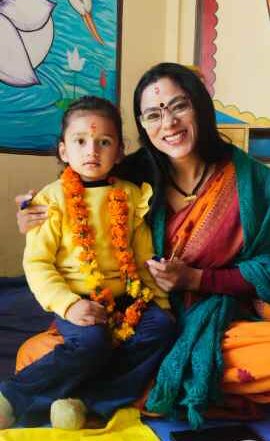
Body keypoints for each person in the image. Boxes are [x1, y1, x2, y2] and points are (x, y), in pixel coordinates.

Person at [16, 63, 270, 429]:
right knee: (34, 353)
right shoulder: (129, 177)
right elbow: (73, 201)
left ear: (199, 105)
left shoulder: (252, 182)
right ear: (142, 126)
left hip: (212, 317)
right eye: (153, 114)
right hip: (129, 318)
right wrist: (32, 216)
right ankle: (157, 383)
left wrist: (197, 280)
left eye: (179, 106)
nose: (168, 124)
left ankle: (102, 391)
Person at [0, 95, 174, 430]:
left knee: (164, 327)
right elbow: (38, 265)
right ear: (64, 151)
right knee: (92, 342)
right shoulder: (49, 201)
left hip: (128, 298)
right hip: (78, 298)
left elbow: (142, 256)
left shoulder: (131, 195)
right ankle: (13, 396)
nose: (92, 151)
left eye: (103, 142)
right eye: (80, 141)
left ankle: (88, 402)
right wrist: (67, 306)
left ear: (120, 151)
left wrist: (161, 302)